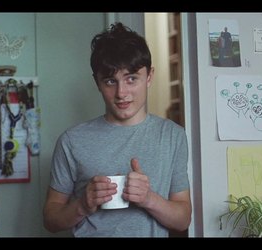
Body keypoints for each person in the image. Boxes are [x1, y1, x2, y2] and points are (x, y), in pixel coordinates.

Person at [43, 22, 192, 237]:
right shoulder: (71, 141)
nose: (121, 93)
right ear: (97, 82)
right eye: (111, 81)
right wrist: (83, 205)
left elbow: (183, 219)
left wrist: (149, 199)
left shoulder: (172, 136)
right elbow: (50, 219)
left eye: (132, 79)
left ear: (149, 76)